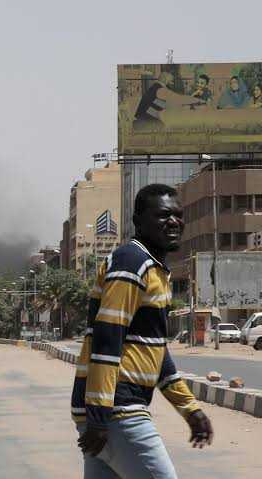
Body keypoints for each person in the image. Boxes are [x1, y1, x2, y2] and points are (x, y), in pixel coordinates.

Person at [72, 184, 213, 479]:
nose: (173, 222)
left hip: (109, 410)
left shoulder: (154, 269)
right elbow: (107, 339)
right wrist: (100, 416)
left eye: (177, 215)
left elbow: (156, 352)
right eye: (163, 215)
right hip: (118, 409)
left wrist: (190, 409)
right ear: (138, 221)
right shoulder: (132, 262)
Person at [133, 72, 206, 130]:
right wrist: (198, 100)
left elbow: (172, 103)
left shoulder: (155, 88)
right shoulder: (160, 90)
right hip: (144, 123)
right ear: (165, 81)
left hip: (143, 121)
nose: (172, 84)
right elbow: (179, 99)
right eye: (171, 82)